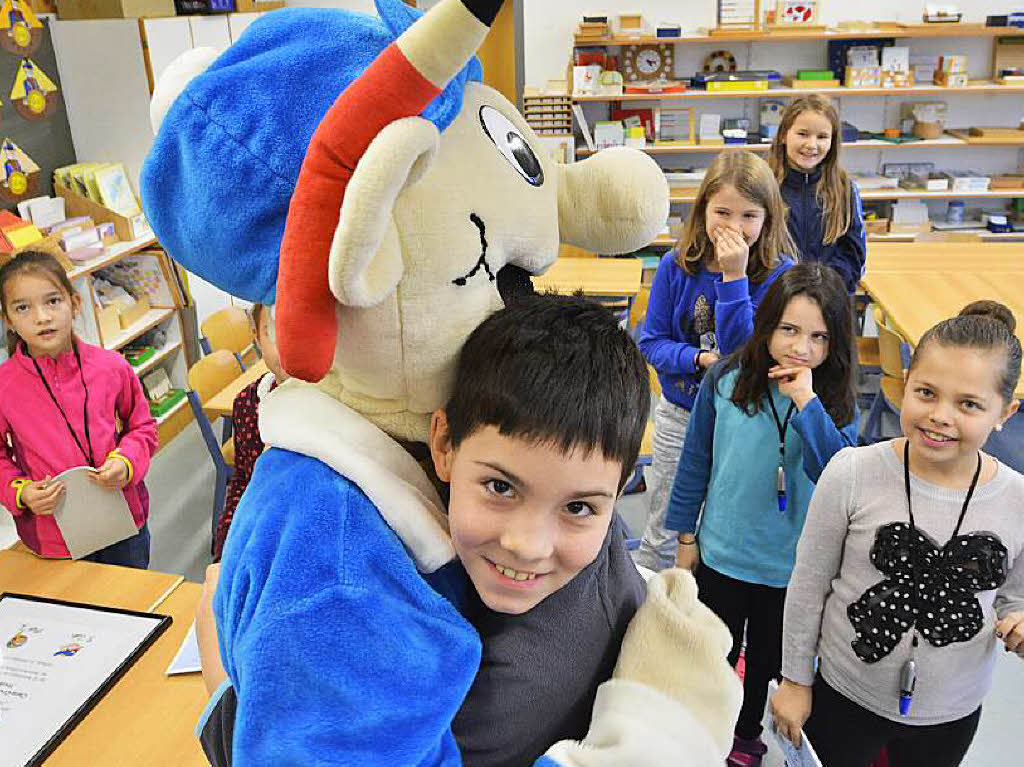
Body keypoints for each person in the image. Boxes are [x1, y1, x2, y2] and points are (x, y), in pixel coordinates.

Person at [196, 294, 743, 766]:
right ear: (442, 445)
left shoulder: (504, 684)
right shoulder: (585, 564)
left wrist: (221, 689)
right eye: (502, 488)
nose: (528, 544)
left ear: (622, 488)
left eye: (578, 508)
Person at [772, 301, 1024, 767]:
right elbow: (808, 586)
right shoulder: (850, 472)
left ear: (1004, 412)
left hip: (951, 710)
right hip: (845, 694)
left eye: (969, 404)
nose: (941, 416)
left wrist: (1017, 621)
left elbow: (1013, 596)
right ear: (903, 384)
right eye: (927, 392)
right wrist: (794, 680)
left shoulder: (1018, 500)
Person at [666, 262, 860, 766]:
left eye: (818, 337)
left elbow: (838, 473)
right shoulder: (727, 380)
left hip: (790, 569)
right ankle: (706, 728)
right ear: (767, 324)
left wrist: (808, 404)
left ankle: (747, 733)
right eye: (789, 330)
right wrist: (685, 540)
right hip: (722, 553)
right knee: (712, 654)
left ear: (834, 344)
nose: (800, 347)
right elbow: (695, 463)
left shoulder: (833, 400)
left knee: (768, 665)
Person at [634, 149, 796, 572]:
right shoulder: (676, 265)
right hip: (681, 412)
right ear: (703, 208)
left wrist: (734, 276)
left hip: (743, 418)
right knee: (668, 523)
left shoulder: (780, 276)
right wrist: (700, 359)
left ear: (767, 219)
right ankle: (653, 603)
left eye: (749, 216)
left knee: (725, 524)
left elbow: (742, 352)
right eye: (722, 212)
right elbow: (651, 343)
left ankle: (705, 609)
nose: (734, 228)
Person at [0, 250, 157, 567]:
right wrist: (21, 491)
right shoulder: (4, 385)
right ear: (8, 320)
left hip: (123, 519)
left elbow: (143, 427)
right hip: (53, 535)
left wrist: (126, 461)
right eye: (23, 307)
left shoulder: (111, 366)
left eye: (53, 301)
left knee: (133, 606)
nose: (42, 317)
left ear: (74, 304)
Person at [768, 94, 866, 294]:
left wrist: (823, 288)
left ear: (832, 142)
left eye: (822, 137)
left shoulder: (844, 190)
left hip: (827, 299)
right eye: (803, 134)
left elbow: (853, 254)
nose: (812, 145)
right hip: (773, 297)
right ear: (784, 136)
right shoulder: (764, 184)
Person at [212, 303, 287, 561]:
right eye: (273, 334)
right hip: (267, 542)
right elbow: (244, 482)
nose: (287, 348)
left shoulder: (338, 400)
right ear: (256, 337)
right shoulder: (248, 404)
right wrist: (225, 550)